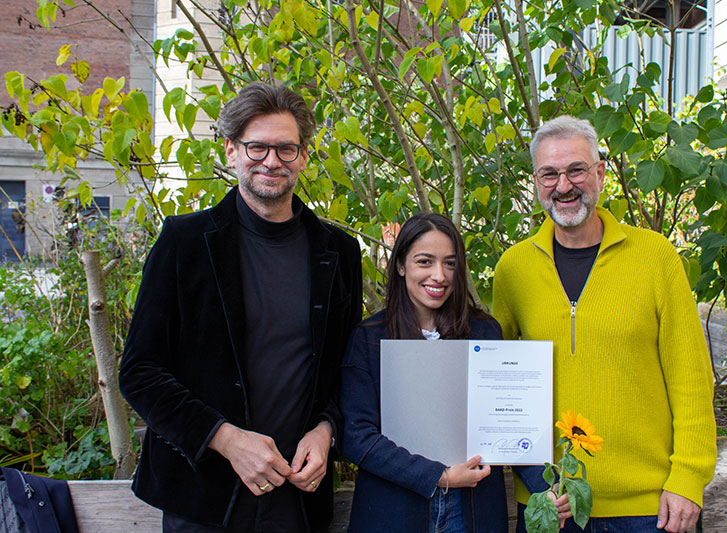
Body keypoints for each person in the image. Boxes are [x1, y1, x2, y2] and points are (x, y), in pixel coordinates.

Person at [118, 82, 362, 532]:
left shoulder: (339, 253)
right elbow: (140, 371)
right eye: (257, 147)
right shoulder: (184, 243)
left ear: (304, 156)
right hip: (205, 498)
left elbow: (349, 369)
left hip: (298, 496)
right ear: (231, 150)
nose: (272, 161)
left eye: (286, 149)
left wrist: (327, 429)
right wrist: (225, 440)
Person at [492, 115, 717, 533]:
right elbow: (499, 390)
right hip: (550, 507)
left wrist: (689, 478)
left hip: (651, 509)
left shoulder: (655, 257)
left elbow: (691, 378)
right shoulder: (513, 270)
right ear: (535, 181)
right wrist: (534, 485)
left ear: (598, 172)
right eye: (549, 174)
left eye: (576, 170)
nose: (563, 186)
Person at [340, 213, 571, 532]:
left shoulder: (485, 332)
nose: (439, 275)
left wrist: (547, 488)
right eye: (425, 261)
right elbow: (356, 436)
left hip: (474, 512)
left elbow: (509, 425)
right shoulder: (369, 337)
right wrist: (440, 476)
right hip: (394, 513)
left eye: (450, 263)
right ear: (401, 265)